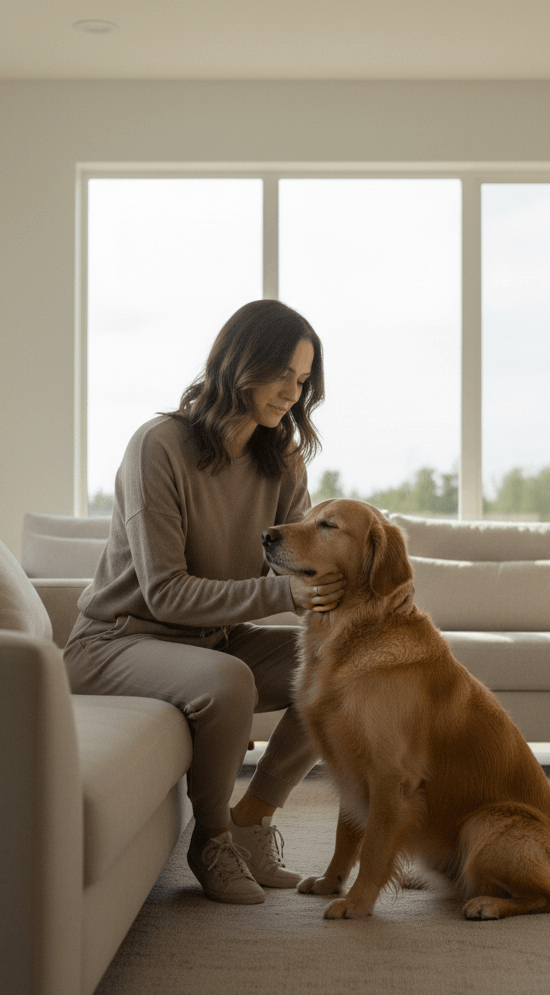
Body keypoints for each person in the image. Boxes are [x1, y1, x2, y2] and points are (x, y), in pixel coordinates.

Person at [64, 299, 345, 905]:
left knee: (342, 672)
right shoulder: (158, 446)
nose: (293, 394)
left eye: (303, 382)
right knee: (228, 680)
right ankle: (210, 837)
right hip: (117, 641)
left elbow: (300, 563)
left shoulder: (283, 459)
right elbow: (165, 591)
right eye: (283, 376)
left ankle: (250, 823)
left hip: (208, 638)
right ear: (241, 364)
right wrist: (283, 591)